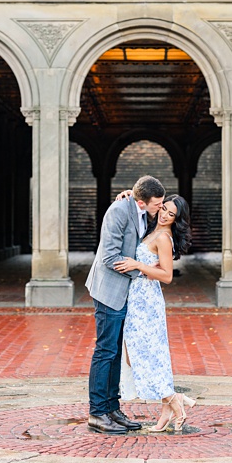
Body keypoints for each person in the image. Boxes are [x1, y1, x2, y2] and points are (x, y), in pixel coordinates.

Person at [85, 174, 165, 434]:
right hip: (109, 291)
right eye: (156, 204)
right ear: (142, 202)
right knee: (105, 351)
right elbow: (109, 256)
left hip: (125, 292)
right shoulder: (119, 210)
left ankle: (112, 408)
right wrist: (140, 270)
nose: (160, 208)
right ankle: (97, 413)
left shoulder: (138, 207)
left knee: (116, 353)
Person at [114, 194, 197, 432]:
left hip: (147, 301)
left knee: (144, 355)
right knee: (138, 355)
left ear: (176, 219)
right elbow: (143, 199)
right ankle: (169, 405)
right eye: (164, 209)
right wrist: (127, 194)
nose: (164, 215)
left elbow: (168, 276)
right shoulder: (152, 228)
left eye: (171, 215)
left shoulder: (163, 237)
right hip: (137, 298)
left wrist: (138, 265)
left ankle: (174, 402)